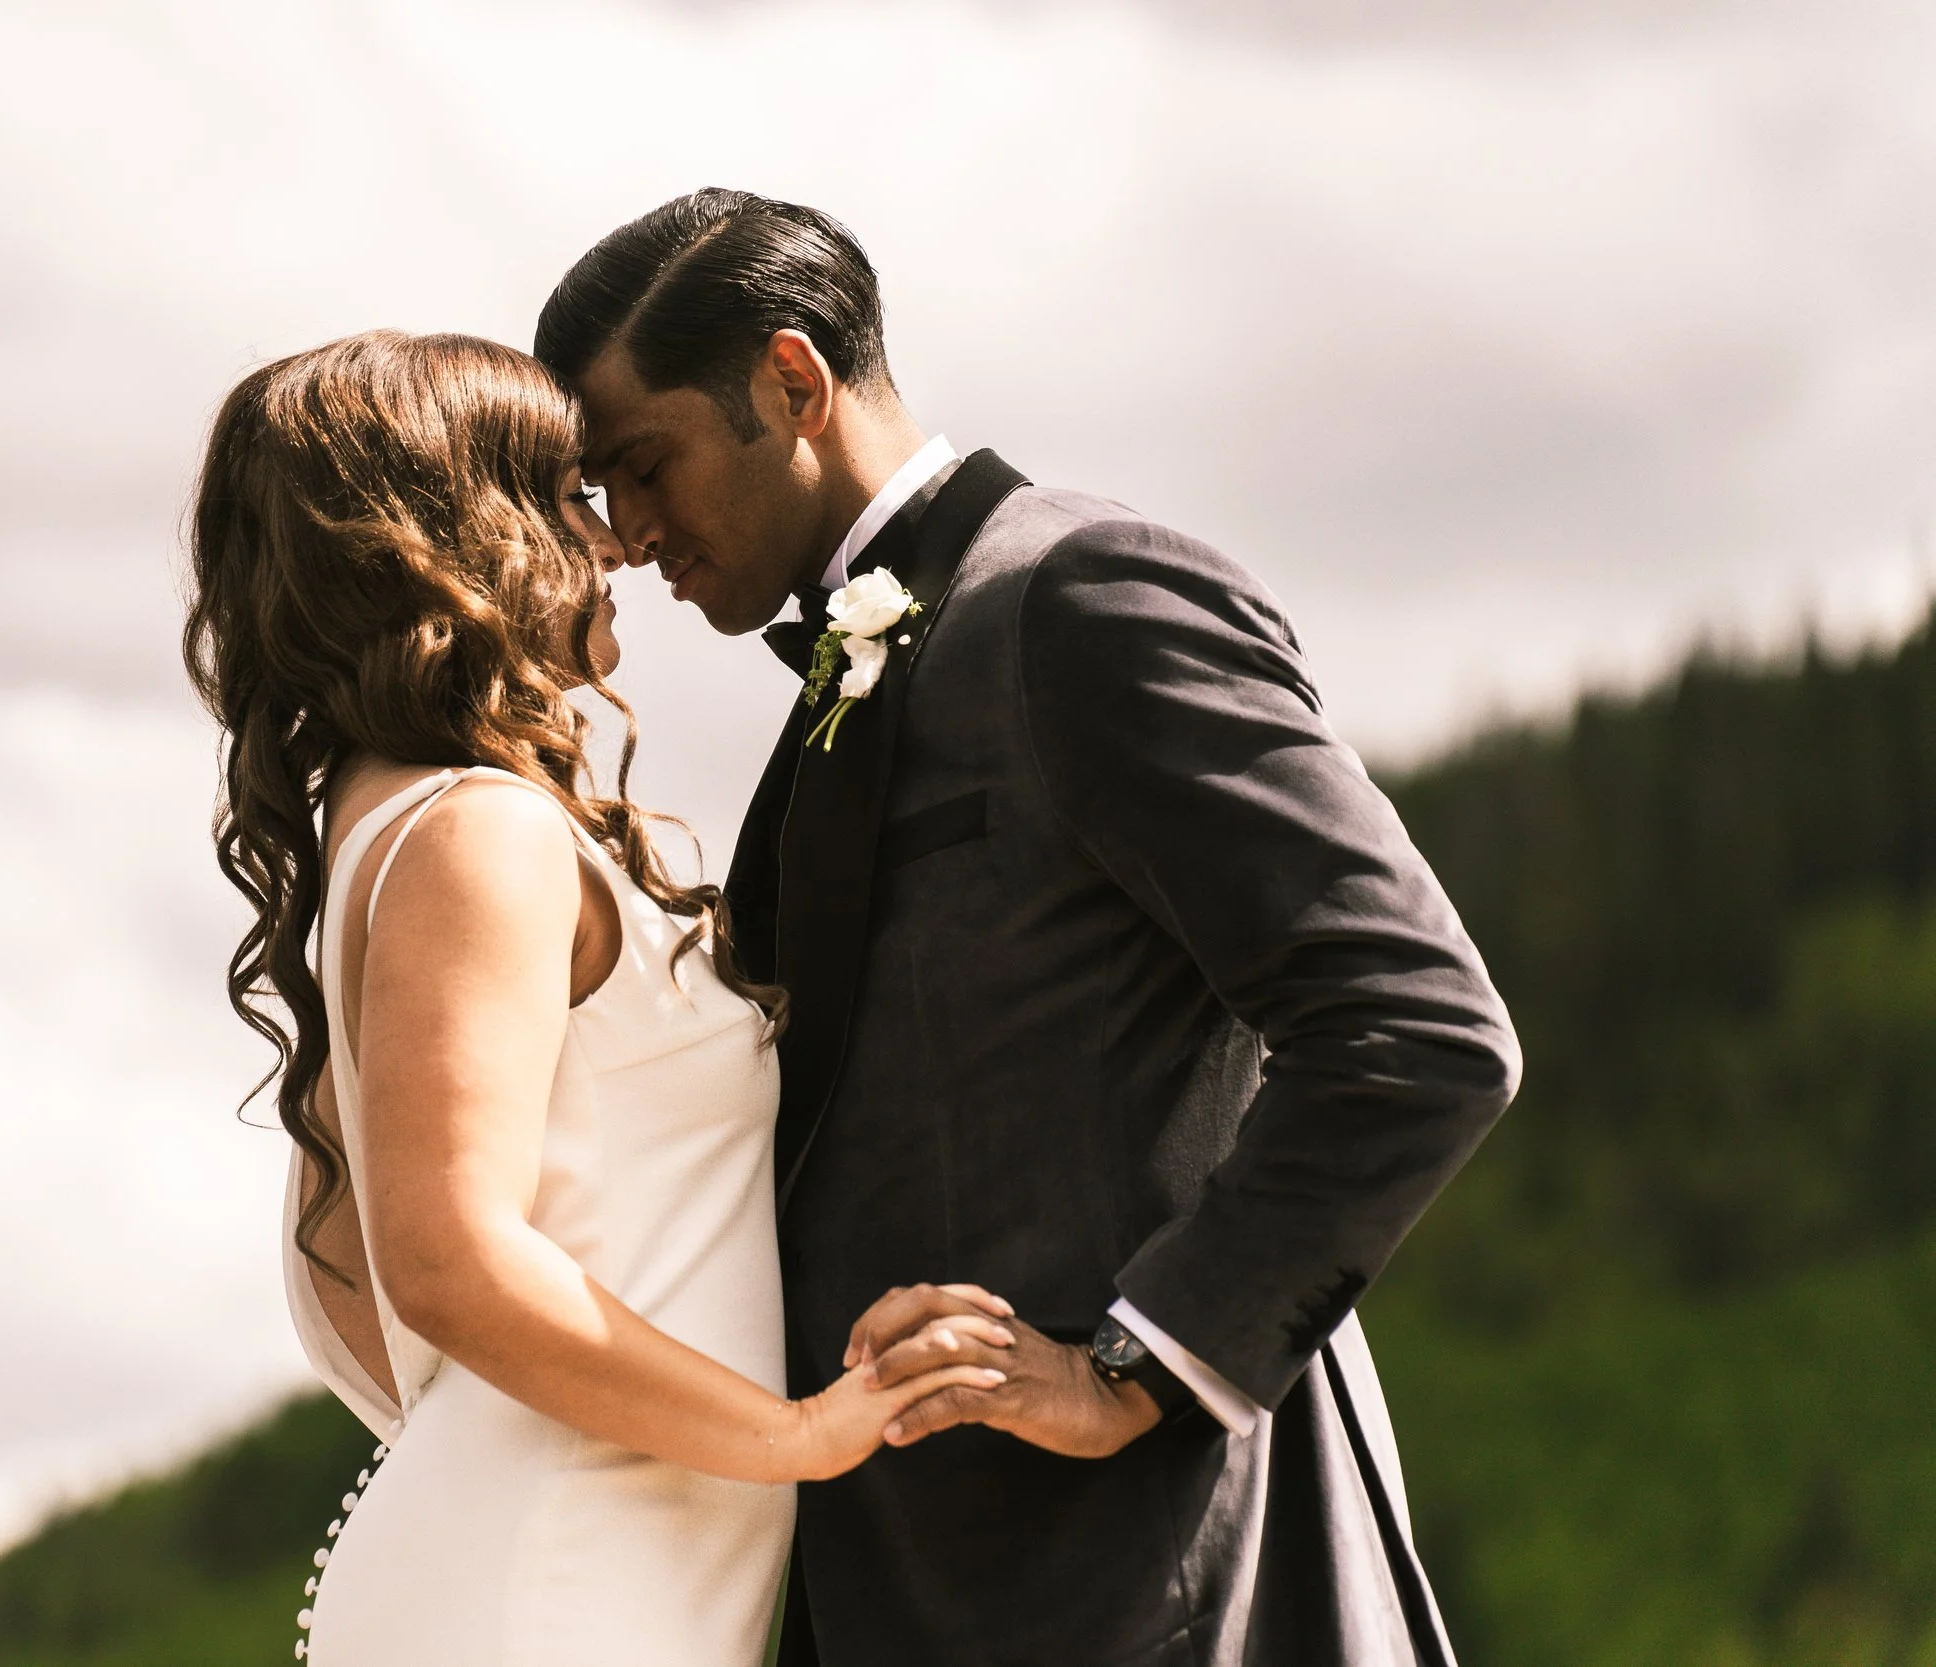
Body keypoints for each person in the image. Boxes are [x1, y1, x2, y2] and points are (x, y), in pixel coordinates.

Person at [535, 190, 1525, 1667]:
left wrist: (1136, 1370)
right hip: (909, 1589)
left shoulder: (1088, 597)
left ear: (792, 384)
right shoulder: (834, 692)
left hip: (1155, 1586)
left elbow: (1419, 1026)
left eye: (641, 465)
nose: (623, 536)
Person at [181, 330, 1000, 1667]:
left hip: (573, 1569)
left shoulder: (391, 826)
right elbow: (444, 1257)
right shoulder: (480, 834)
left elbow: (342, 1267)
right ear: (456, 535)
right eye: (569, 498)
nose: (617, 539)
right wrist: (792, 1435)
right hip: (568, 1591)